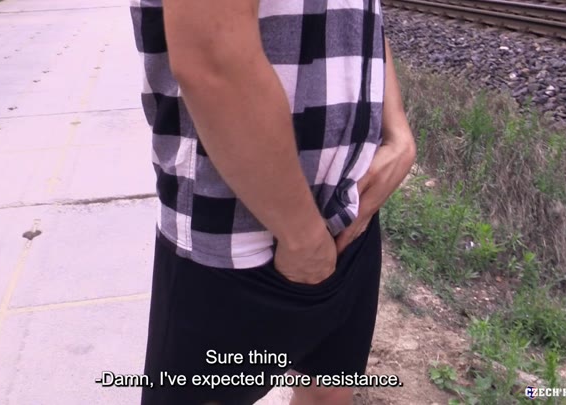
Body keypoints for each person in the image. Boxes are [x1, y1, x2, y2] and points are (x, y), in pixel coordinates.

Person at [130, 0, 416, 403]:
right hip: (233, 233)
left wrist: (397, 127)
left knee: (328, 390)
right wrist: (302, 238)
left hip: (350, 208)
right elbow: (211, 56)